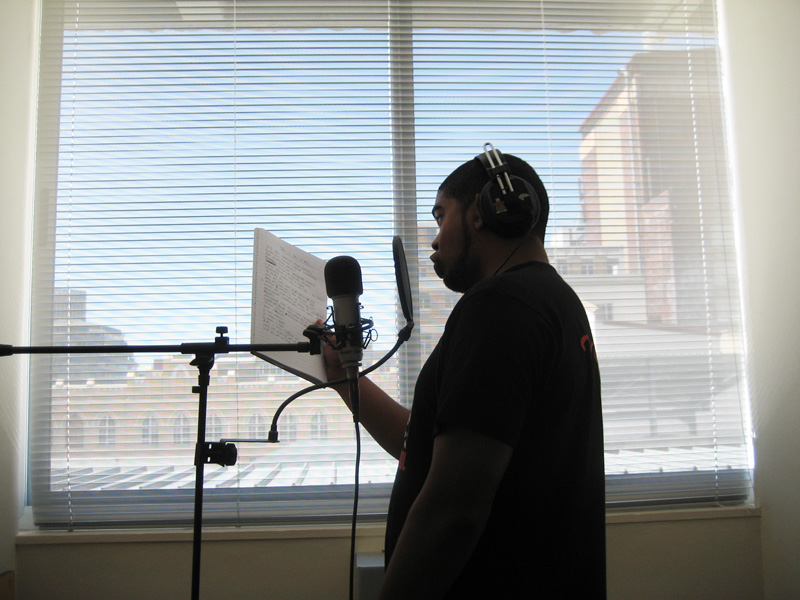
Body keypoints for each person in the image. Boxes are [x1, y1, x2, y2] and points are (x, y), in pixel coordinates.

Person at [323, 145, 606, 599]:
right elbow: (429, 447)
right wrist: (344, 379)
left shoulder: (500, 308)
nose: (434, 240)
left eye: (441, 216)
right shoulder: (555, 303)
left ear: (485, 209)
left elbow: (453, 510)